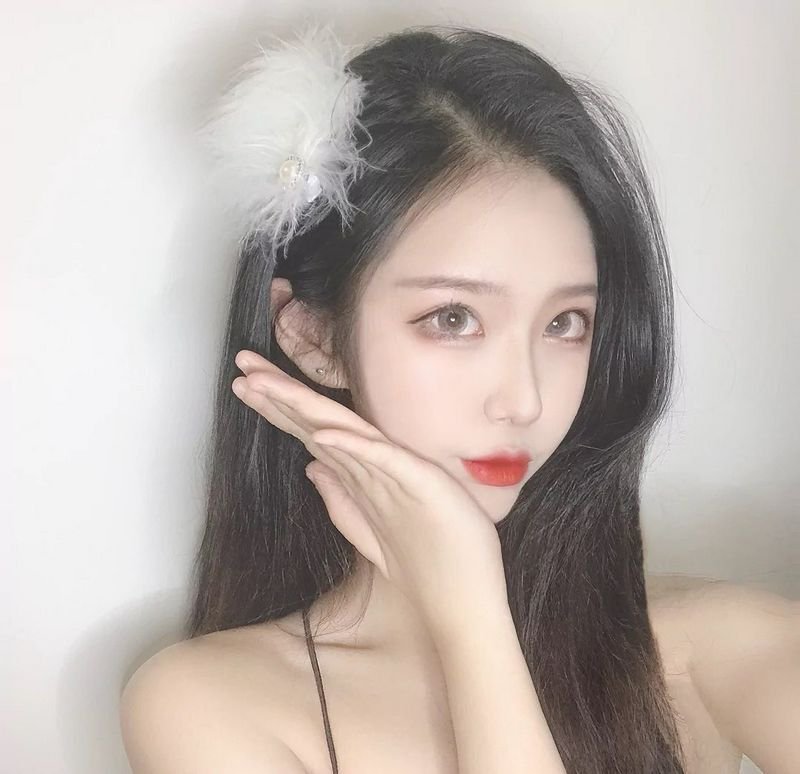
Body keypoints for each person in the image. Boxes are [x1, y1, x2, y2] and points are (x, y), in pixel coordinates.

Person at [119, 21, 800, 774]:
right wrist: (469, 618)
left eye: (566, 323)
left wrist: (474, 617)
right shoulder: (211, 707)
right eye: (453, 319)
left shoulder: (721, 648)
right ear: (315, 336)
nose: (524, 400)